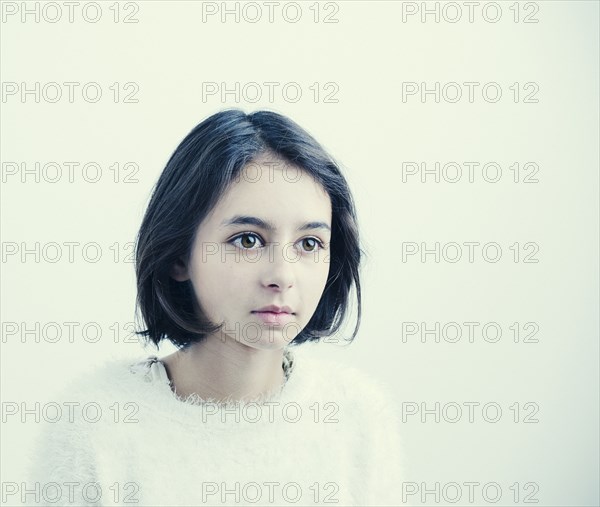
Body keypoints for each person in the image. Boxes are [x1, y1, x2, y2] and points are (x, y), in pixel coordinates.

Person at [25, 109, 407, 506]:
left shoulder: (356, 417)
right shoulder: (96, 425)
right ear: (178, 255)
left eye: (309, 244)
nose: (282, 275)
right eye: (247, 240)